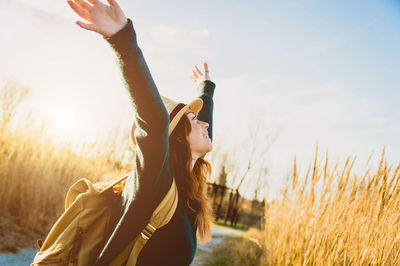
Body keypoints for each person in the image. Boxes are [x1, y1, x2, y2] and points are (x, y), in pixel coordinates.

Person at [66, 0, 216, 265]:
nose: (204, 125)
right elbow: (155, 122)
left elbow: (202, 134)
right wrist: (122, 38)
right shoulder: (154, 183)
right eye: (194, 120)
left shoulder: (187, 191)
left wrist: (205, 90)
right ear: (178, 138)